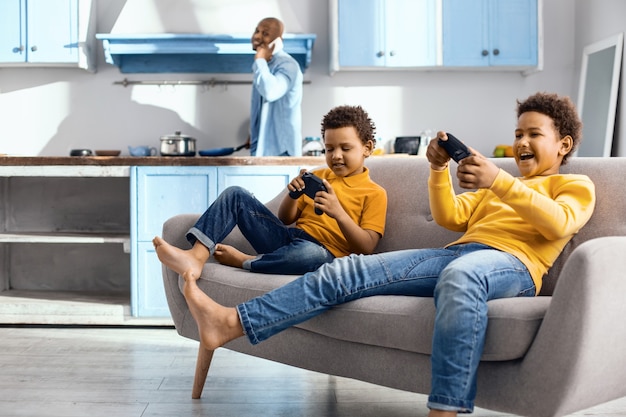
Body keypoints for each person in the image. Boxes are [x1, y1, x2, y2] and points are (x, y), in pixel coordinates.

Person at [174, 92, 596, 416]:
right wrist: (436, 169)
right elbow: (449, 215)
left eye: (533, 134)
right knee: (346, 272)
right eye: (518, 133)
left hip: (513, 267)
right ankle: (229, 323)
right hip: (458, 253)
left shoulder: (573, 187)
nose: (521, 141)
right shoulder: (494, 191)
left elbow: (558, 223)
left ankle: (445, 408)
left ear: (563, 144)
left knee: (462, 276)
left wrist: (499, 181)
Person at [153, 105, 387, 277]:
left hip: (324, 253)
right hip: (287, 239)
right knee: (235, 194)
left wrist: (339, 213)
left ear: (367, 148)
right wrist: (293, 195)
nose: (336, 155)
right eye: (329, 148)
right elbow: (285, 219)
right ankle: (196, 256)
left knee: (311, 255)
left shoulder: (374, 193)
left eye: (345, 148)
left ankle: (248, 262)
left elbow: (366, 247)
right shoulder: (320, 177)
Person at [248, 17, 303, 156]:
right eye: (257, 31)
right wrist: (256, 135)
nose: (257, 36)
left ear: (278, 40)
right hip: (262, 151)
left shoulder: (288, 65)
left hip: (281, 153)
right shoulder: (264, 66)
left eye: (265, 34)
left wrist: (260, 60)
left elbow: (271, 92)